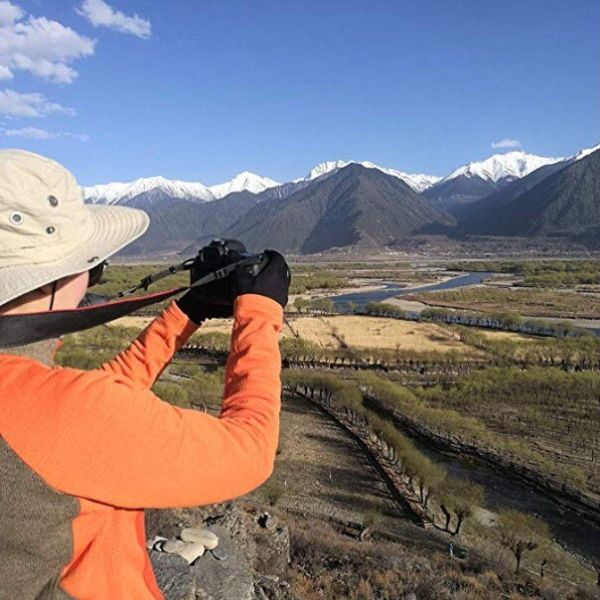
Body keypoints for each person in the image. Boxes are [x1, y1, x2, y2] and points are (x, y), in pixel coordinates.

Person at [0, 149, 290, 599]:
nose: (91, 280)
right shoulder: (62, 413)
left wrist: (187, 310)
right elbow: (250, 450)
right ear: (45, 282)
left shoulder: (29, 391)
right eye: (89, 267)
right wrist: (260, 309)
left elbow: (83, 409)